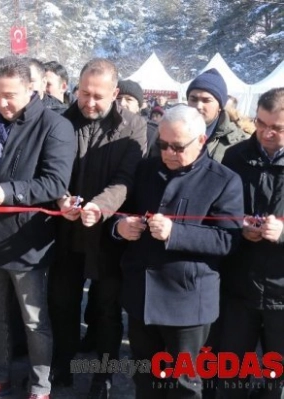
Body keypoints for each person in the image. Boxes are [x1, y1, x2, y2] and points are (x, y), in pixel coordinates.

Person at [115, 105, 243, 398]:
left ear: (201, 140)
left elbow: (228, 240)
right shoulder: (147, 168)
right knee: (145, 378)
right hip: (142, 295)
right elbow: (120, 211)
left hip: (186, 302)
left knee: (184, 384)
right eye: (163, 145)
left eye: (177, 146)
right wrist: (120, 227)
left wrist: (176, 233)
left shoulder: (224, 180)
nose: (169, 152)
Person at [0, 56, 76, 399]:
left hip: (27, 240)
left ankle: (40, 386)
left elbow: (56, 182)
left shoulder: (55, 126)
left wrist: (8, 191)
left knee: (34, 321)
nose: (2, 102)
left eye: (10, 94)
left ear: (32, 88)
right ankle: (0, 375)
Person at [50, 58, 147, 398]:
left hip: (108, 234)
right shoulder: (61, 121)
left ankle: (102, 374)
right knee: (62, 301)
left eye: (98, 96)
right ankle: (62, 361)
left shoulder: (134, 126)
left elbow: (126, 179)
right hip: (67, 229)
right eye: (84, 93)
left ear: (115, 94)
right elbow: (52, 170)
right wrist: (61, 198)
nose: (90, 102)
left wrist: (101, 207)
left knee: (106, 309)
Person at [219, 87, 284, 399]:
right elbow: (216, 212)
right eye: (260, 123)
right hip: (239, 287)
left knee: (277, 381)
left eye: (277, 128)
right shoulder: (236, 156)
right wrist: (239, 225)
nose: (266, 133)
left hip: (282, 293)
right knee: (231, 374)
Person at [186, 68, 248, 162]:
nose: (198, 106)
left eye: (206, 100)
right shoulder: (168, 133)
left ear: (220, 106)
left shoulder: (240, 143)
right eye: (193, 99)